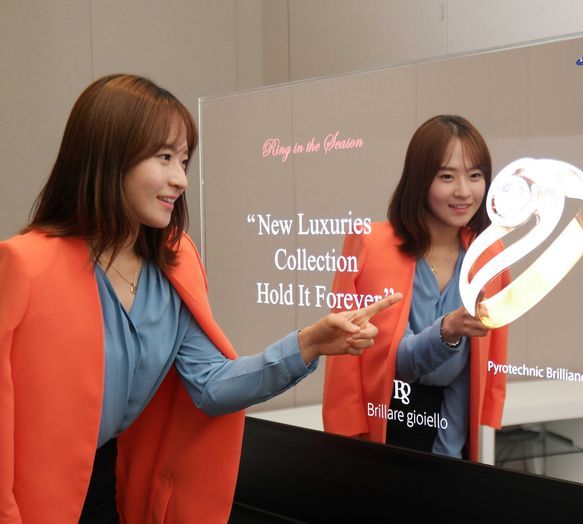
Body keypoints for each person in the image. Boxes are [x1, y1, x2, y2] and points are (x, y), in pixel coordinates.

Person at [0, 74, 400, 523]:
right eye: (164, 157)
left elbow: (210, 384)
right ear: (109, 156)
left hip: (108, 488)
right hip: (31, 498)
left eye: (184, 160)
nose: (180, 179)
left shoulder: (175, 259)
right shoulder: (25, 264)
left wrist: (309, 344)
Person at [322, 115, 509, 461]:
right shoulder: (370, 244)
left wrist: (448, 452)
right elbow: (394, 361)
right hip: (385, 418)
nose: (464, 191)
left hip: (454, 423)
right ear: (420, 180)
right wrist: (447, 330)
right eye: (447, 176)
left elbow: (477, 366)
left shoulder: (489, 254)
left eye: (475, 176)